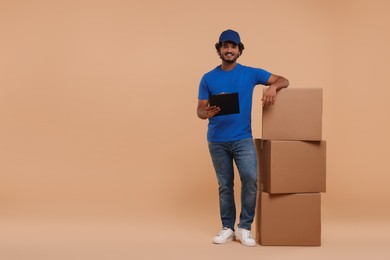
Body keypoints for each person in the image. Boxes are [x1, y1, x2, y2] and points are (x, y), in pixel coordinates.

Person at [196, 29, 289, 247]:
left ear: (239, 50)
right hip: (216, 139)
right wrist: (205, 113)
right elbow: (199, 111)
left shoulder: (251, 73)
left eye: (233, 46)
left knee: (250, 179)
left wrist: (273, 87)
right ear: (219, 49)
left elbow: (284, 79)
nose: (229, 50)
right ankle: (227, 227)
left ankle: (244, 227)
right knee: (225, 185)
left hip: (242, 139)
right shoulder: (208, 78)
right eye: (225, 46)